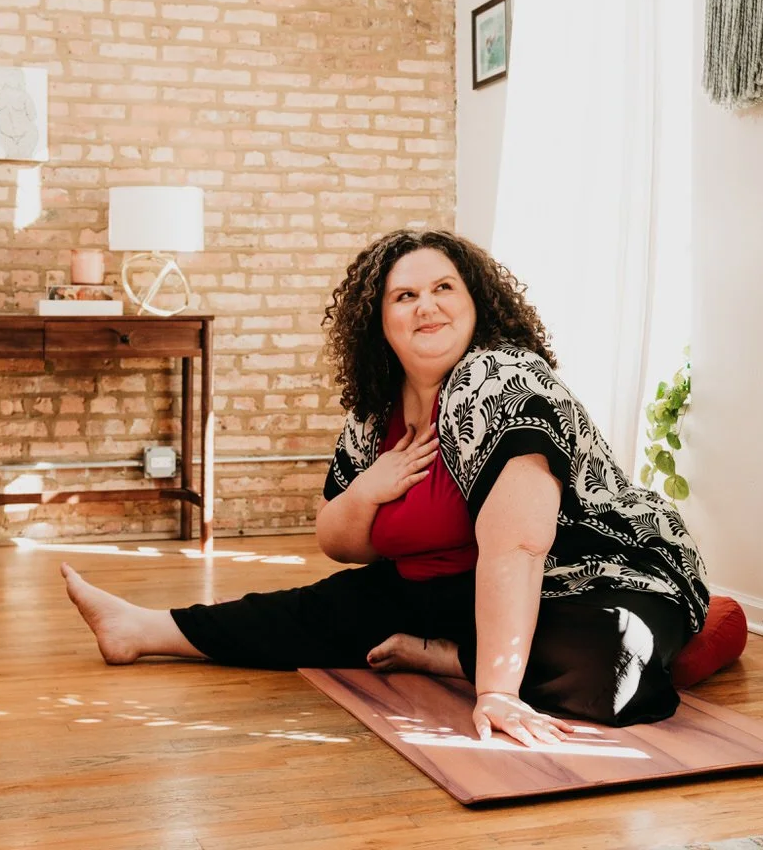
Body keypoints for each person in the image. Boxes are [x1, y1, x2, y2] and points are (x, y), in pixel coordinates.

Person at [62, 229, 710, 747]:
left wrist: (496, 693)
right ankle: (141, 628)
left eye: (443, 288)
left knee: (609, 665)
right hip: (458, 588)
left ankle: (450, 659)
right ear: (379, 321)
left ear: (476, 302)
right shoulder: (374, 418)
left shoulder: (502, 378)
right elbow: (338, 542)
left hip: (598, 578)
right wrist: (368, 489)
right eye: (404, 296)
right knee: (315, 612)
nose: (425, 304)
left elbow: (519, 546)